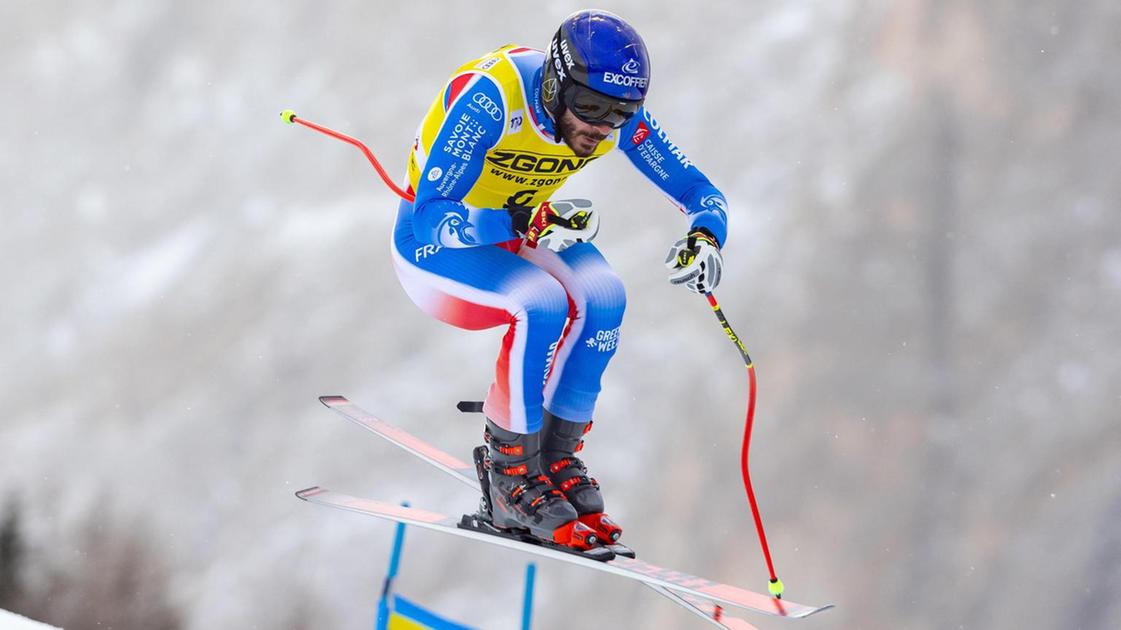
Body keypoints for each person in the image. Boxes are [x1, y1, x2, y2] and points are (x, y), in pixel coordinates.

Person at [391, 10, 728, 549]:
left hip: (521, 221)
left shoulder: (612, 118)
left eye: (620, 114)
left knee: (606, 295)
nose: (600, 128)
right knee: (541, 301)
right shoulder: (493, 99)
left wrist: (706, 237)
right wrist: (520, 219)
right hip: (434, 246)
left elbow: (699, 191)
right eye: (590, 107)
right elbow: (435, 209)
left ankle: (555, 458)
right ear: (554, 82)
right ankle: (510, 476)